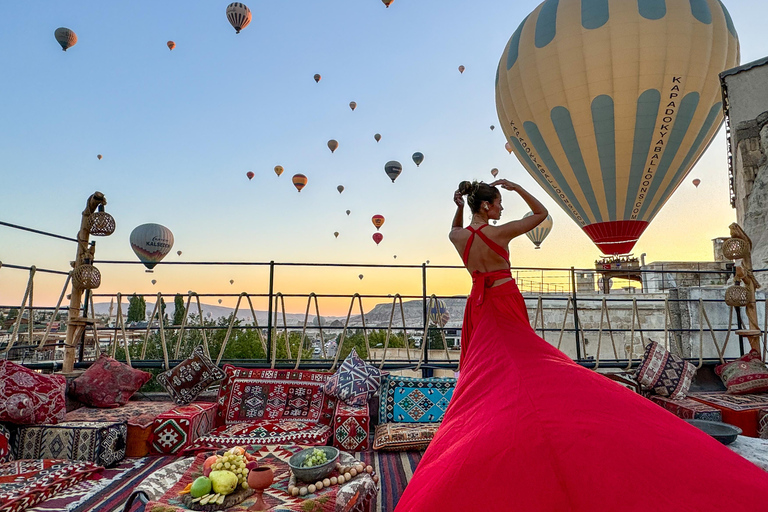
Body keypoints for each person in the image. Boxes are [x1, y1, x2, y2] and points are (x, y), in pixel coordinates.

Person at [394, 180, 768, 511]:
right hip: (504, 299)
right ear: (488, 206)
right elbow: (540, 214)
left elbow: (455, 229)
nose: (502, 208)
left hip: (479, 305)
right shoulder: (500, 233)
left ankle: (498, 423)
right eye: (498, 203)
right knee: (525, 360)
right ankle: (527, 413)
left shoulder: (459, 239)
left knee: (487, 368)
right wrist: (517, 188)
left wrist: (458, 206)